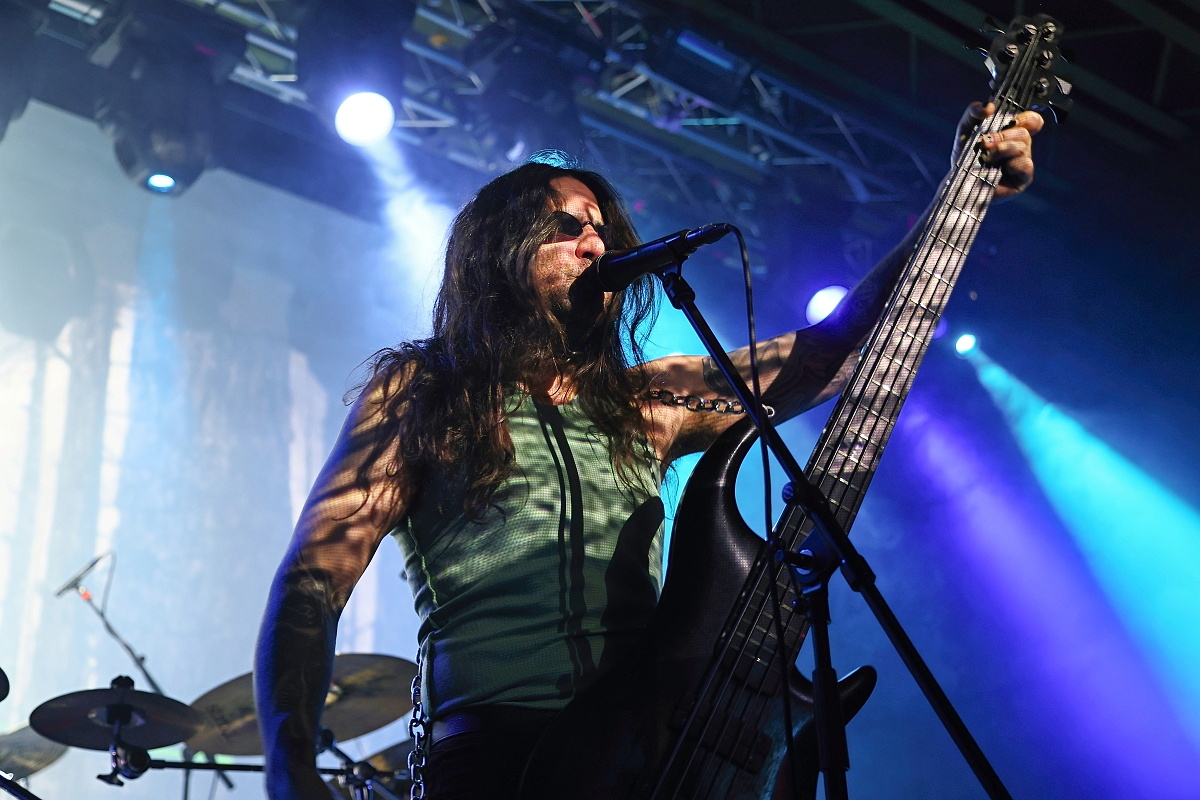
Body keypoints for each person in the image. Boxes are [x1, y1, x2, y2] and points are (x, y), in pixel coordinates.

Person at [254, 102, 1042, 800]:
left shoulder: (647, 400)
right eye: (569, 226)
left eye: (601, 227)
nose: (594, 242)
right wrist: (290, 765)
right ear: (500, 250)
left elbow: (828, 354)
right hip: (495, 755)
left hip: (640, 751)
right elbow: (314, 580)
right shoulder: (422, 390)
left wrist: (957, 201)